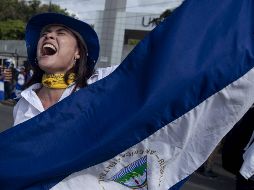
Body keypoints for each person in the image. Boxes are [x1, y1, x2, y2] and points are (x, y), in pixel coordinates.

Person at [13, 12, 116, 126]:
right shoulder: (23, 104)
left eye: (61, 33)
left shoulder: (100, 84)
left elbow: (136, 67)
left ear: (78, 52)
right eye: (44, 34)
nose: (48, 36)